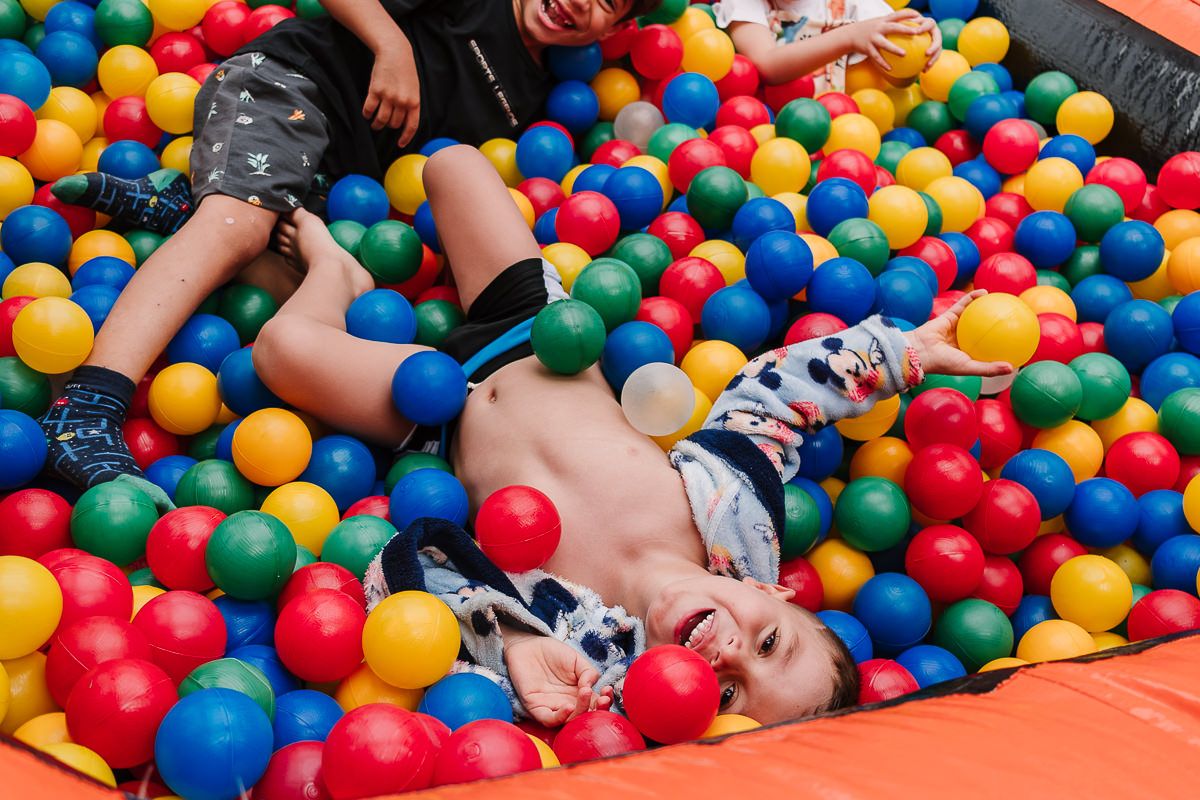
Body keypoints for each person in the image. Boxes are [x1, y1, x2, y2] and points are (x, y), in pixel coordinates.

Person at [250, 144, 1012, 728]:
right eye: (770, 642)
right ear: (769, 589)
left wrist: (510, 650)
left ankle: (333, 270)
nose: (730, 653)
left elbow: (406, 576)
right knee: (451, 166)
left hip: (429, 416)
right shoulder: (736, 516)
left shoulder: (588, 666)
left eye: (725, 691)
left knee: (278, 353)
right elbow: (768, 400)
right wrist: (900, 353)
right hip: (532, 335)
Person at [39, 0, 655, 498]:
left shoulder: (533, 96)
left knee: (343, 292)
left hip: (333, 185)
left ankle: (183, 207)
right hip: (292, 87)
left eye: (606, 3)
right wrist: (390, 44)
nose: (580, 3)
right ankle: (86, 408)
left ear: (618, 28)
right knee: (245, 227)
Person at [713, 0, 941, 92]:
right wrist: (850, 36)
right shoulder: (745, 3)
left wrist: (920, 44)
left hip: (847, 132)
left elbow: (899, 79)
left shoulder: (852, 2)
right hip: (775, 136)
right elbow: (767, 65)